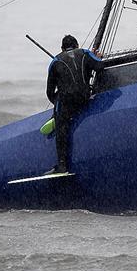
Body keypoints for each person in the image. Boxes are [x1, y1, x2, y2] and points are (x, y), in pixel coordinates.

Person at [46, 35, 105, 173]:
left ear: (62, 48)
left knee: (62, 127)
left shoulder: (55, 61)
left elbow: (49, 92)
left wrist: (58, 103)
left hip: (67, 104)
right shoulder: (85, 53)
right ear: (77, 45)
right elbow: (100, 66)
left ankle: (62, 165)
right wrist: (98, 57)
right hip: (85, 97)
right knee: (68, 101)